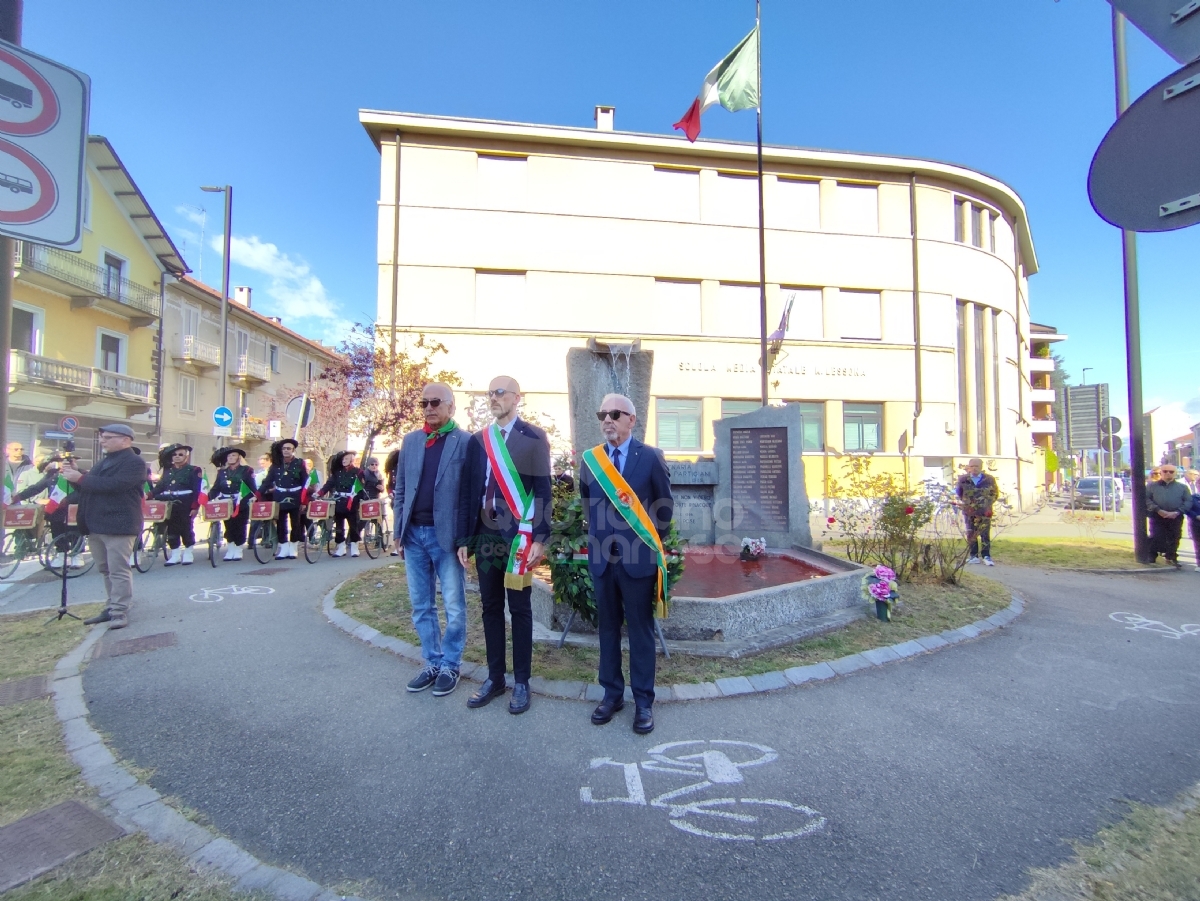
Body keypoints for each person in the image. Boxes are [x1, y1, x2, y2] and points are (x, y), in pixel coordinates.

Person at [578, 393, 673, 735]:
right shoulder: (591, 461)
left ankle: (644, 701)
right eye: (602, 413)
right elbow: (587, 505)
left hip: (638, 561)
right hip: (603, 559)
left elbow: (663, 510)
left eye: (615, 414)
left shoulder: (650, 457)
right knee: (606, 628)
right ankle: (612, 693)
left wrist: (642, 542)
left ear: (632, 419)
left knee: (640, 630)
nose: (607, 419)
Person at [457, 376, 552, 715]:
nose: (493, 398)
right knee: (490, 607)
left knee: (521, 609)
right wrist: (464, 538)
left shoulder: (534, 438)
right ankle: (495, 677)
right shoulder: (478, 441)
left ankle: (522, 681)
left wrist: (540, 537)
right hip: (484, 536)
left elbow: (543, 491)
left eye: (500, 392)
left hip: (518, 538)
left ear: (516, 397)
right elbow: (469, 491)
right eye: (490, 393)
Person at [394, 382, 470, 697]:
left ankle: (451, 664)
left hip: (447, 538)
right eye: (424, 402)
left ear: (451, 406)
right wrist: (398, 530)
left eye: (435, 402)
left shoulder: (466, 442)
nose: (429, 407)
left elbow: (469, 493)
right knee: (420, 605)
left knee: (454, 604)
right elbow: (400, 489)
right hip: (413, 535)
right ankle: (432, 662)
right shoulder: (411, 441)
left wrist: (466, 537)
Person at [60, 424, 145, 630]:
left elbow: (114, 486)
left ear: (125, 440)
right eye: (102, 437)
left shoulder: (134, 462)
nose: (103, 441)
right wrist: (74, 476)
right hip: (96, 524)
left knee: (118, 569)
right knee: (105, 569)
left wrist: (80, 477)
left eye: (108, 437)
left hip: (118, 524)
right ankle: (111, 605)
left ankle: (119, 611)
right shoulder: (105, 461)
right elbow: (89, 488)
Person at [153, 444, 203, 566]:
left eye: (180, 454)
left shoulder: (194, 470)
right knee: (171, 529)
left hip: (185, 503)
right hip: (169, 503)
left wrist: (195, 507)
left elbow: (197, 490)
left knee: (186, 528)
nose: (177, 457)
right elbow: (160, 486)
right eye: (174, 455)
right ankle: (175, 554)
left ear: (186, 456)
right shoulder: (168, 470)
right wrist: (148, 495)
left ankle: (188, 552)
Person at [260, 438, 308, 559]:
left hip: (295, 495)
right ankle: (284, 547)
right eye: (284, 448)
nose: (286, 451)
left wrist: (304, 501)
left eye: (289, 448)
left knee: (296, 523)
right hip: (280, 496)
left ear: (293, 450)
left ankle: (293, 547)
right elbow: (267, 481)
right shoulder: (276, 465)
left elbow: (305, 483)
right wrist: (257, 495)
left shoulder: (299, 463)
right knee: (281, 523)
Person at [210, 447, 257, 561]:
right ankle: (230, 548)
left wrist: (257, 497)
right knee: (228, 525)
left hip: (240, 500)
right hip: (226, 501)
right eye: (229, 456)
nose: (231, 458)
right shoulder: (222, 472)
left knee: (240, 525)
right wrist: (207, 498)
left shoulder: (247, 470)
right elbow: (216, 487)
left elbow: (252, 487)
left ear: (238, 457)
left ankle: (238, 548)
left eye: (234, 455)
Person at [1146, 463, 1192, 569]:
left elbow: (1188, 501)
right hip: (1157, 515)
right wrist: (1158, 510)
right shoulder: (1152, 486)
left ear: (1175, 473)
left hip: (1175, 516)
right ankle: (1152, 556)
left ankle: (1171, 557)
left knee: (1174, 537)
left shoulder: (1182, 487)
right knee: (1156, 535)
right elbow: (1147, 499)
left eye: (1171, 472)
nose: (1168, 473)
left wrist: (1178, 511)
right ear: (1161, 473)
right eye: (1165, 471)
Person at [956, 458, 999, 566]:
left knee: (985, 533)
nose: (974, 468)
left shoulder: (989, 479)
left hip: (984, 511)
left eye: (977, 466)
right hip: (969, 511)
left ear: (981, 467)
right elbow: (960, 493)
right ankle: (973, 555)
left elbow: (994, 494)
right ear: (969, 467)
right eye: (972, 466)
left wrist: (987, 505)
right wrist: (968, 504)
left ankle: (986, 556)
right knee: (971, 533)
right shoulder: (963, 479)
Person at [322, 450, 364, 557]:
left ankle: (354, 546)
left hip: (351, 501)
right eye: (343, 459)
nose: (344, 461)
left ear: (352, 460)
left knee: (353, 525)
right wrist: (320, 493)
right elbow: (329, 484)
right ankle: (341, 547)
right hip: (339, 500)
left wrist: (357, 499)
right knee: (339, 526)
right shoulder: (338, 473)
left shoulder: (358, 472)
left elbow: (360, 488)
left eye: (346, 459)